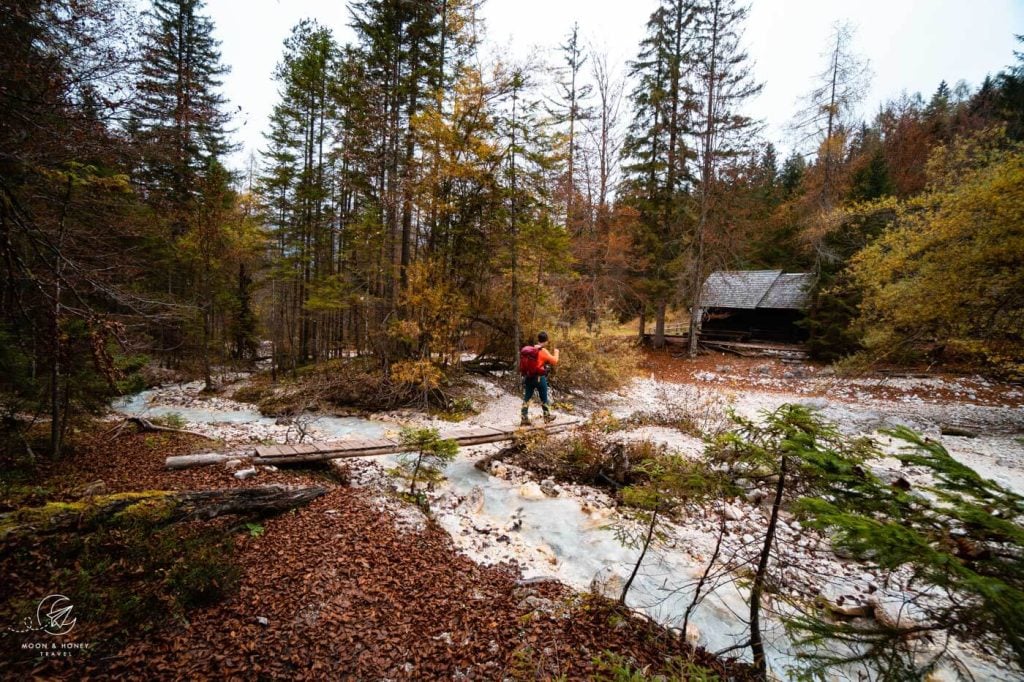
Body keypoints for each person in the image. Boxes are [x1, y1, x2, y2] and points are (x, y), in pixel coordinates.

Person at [519, 331, 560, 426]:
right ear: (546, 341)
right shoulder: (543, 351)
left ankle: (524, 418)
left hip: (529, 377)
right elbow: (554, 361)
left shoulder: (532, 349)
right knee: (544, 397)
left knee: (527, 398)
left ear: (538, 340)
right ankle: (547, 416)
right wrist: (556, 352)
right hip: (538, 378)